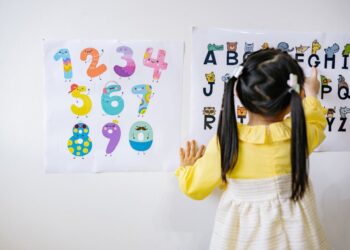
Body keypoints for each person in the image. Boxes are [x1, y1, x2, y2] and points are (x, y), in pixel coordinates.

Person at [175, 48, 329, 249]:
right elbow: (316, 122)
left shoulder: (226, 142)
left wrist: (186, 168)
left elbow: (194, 188)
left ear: (238, 93)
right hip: (297, 237)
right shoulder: (299, 134)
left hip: (244, 239)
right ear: (295, 98)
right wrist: (311, 95)